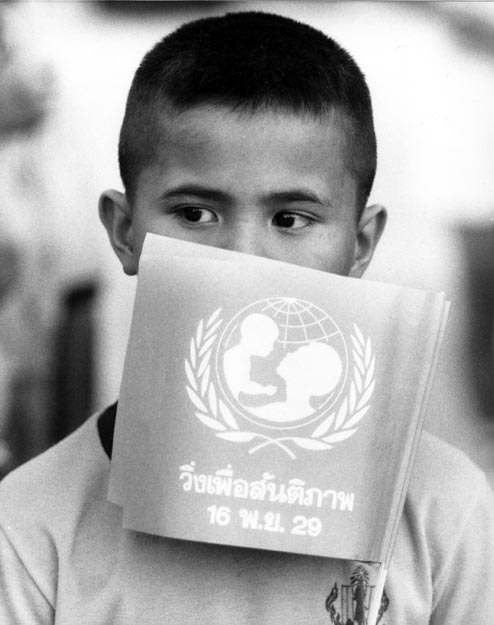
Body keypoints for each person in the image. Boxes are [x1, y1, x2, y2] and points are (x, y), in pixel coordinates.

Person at [0, 11, 493, 625]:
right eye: (196, 214)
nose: (244, 258)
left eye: (291, 219)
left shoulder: (449, 510)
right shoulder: (26, 529)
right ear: (125, 232)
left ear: (360, 245)